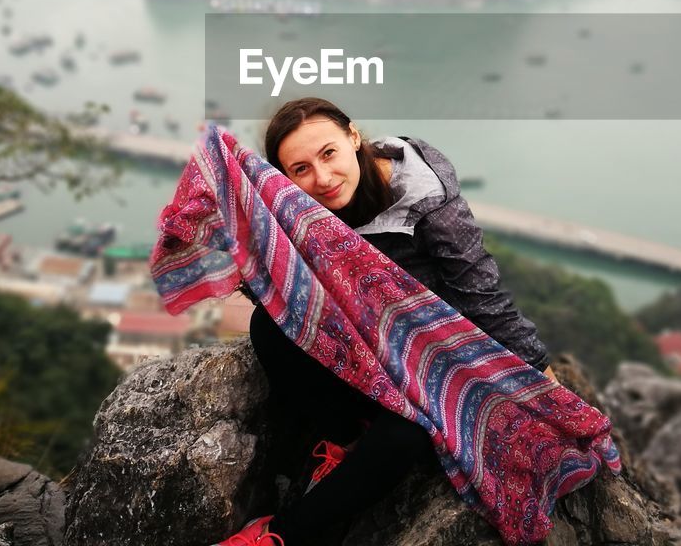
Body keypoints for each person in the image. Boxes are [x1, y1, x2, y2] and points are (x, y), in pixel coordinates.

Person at [216, 97, 555, 546]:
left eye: (329, 153)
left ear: (354, 136)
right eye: (299, 169)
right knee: (268, 326)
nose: (321, 178)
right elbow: (284, 282)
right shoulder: (298, 207)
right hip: (367, 347)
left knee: (406, 437)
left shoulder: (425, 196)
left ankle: (278, 536)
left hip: (437, 361)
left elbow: (482, 293)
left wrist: (545, 381)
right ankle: (344, 440)